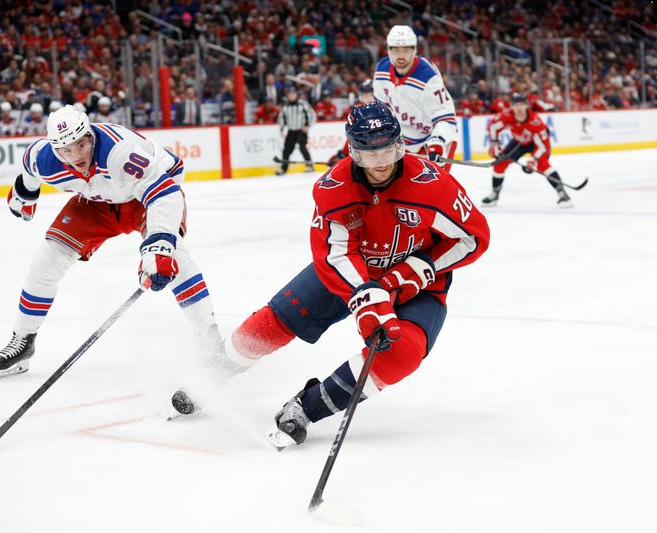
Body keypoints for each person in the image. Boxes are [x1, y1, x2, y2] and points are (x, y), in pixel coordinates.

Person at [170, 102, 490, 449]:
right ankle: (213, 374)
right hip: (348, 272)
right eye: (369, 155)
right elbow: (336, 254)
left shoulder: (434, 185)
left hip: (418, 285)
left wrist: (416, 271)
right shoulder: (333, 188)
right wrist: (369, 298)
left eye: (388, 150)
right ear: (353, 152)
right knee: (272, 322)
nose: (381, 162)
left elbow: (473, 238)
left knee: (402, 353)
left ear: (400, 145)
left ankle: (304, 409)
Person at [0, 105, 227, 380]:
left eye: (81, 144)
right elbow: (29, 171)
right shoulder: (43, 158)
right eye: (65, 150)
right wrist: (25, 195)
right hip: (97, 203)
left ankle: (211, 344)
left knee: (176, 259)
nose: (76, 156)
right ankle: (23, 341)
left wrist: (159, 245)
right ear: (54, 150)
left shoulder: (119, 153)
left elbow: (164, 192)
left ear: (90, 135)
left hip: (147, 197)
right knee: (46, 259)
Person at [373, 25, 458, 172]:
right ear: (388, 50)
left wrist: (438, 141)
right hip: (403, 142)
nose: (401, 55)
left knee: (436, 191)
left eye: (406, 49)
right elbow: (381, 111)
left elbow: (446, 119)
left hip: (432, 141)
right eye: (396, 49)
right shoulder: (382, 69)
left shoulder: (428, 76)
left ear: (414, 49)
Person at [483, 92, 572, 208]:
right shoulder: (506, 115)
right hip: (519, 142)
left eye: (521, 104)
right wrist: (494, 144)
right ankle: (494, 194)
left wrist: (533, 160)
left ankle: (562, 193)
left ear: (526, 106)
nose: (518, 108)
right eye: (515, 104)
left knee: (543, 165)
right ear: (511, 106)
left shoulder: (535, 122)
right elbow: (493, 126)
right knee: (500, 163)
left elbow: (542, 146)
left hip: (538, 145)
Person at [326, 79, 375, 167]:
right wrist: (344, 153)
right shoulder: (359, 110)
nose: (368, 98)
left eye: (370, 95)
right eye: (365, 95)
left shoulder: (381, 108)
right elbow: (354, 134)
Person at [276, 86, 316, 175]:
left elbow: (312, 115)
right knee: (286, 150)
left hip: (301, 130)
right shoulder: (285, 107)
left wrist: (308, 126)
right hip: (291, 131)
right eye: (289, 94)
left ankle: (309, 166)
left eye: (293, 94)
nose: (291, 96)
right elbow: (281, 119)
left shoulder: (303, 104)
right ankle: (284, 168)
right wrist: (282, 129)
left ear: (296, 95)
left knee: (303, 148)